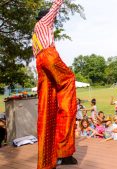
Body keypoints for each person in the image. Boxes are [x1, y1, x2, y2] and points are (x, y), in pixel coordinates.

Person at [33, 0, 77, 168]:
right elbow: (56, 6)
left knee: (47, 107)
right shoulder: (44, 22)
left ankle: (46, 161)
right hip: (49, 57)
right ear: (44, 18)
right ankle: (64, 150)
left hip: (40, 63)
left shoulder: (35, 34)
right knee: (68, 83)